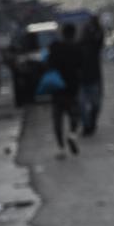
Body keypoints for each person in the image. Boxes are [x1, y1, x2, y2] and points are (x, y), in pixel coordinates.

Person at [44, 23, 84, 154]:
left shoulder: (55, 48)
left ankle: (60, 148)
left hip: (57, 88)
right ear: (73, 34)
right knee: (75, 116)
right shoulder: (77, 48)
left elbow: (48, 64)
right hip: (72, 89)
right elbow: (81, 67)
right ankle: (72, 134)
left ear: (63, 34)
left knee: (57, 119)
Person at [77, 16, 106, 135]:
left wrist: (96, 26)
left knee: (95, 105)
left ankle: (90, 124)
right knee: (83, 106)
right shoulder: (79, 47)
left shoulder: (95, 46)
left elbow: (100, 37)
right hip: (83, 80)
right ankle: (87, 126)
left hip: (93, 79)